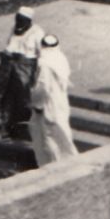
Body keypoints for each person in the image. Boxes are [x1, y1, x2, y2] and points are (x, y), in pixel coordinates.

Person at [0, 7, 46, 138]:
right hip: (9, 70)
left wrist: (37, 74)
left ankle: (24, 129)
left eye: (21, 20)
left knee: (24, 99)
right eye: (17, 19)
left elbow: (42, 55)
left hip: (25, 71)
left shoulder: (37, 32)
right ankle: (4, 128)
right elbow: (10, 45)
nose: (18, 22)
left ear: (29, 21)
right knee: (5, 97)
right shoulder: (15, 29)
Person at [28, 35, 78, 165]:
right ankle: (68, 162)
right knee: (62, 134)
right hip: (60, 103)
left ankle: (54, 165)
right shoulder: (60, 58)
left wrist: (37, 105)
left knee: (48, 138)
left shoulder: (44, 64)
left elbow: (42, 86)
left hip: (48, 105)